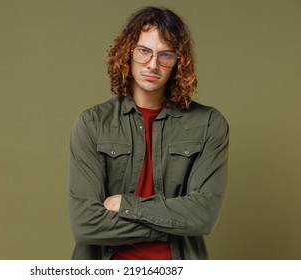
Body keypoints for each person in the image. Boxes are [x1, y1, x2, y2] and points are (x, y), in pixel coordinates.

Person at [67, 6, 229, 260]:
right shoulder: (92, 123)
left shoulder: (208, 123)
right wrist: (172, 225)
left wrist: (126, 205)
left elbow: (203, 216)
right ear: (127, 52)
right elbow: (85, 223)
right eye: (144, 51)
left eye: (166, 54)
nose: (153, 64)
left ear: (178, 61)